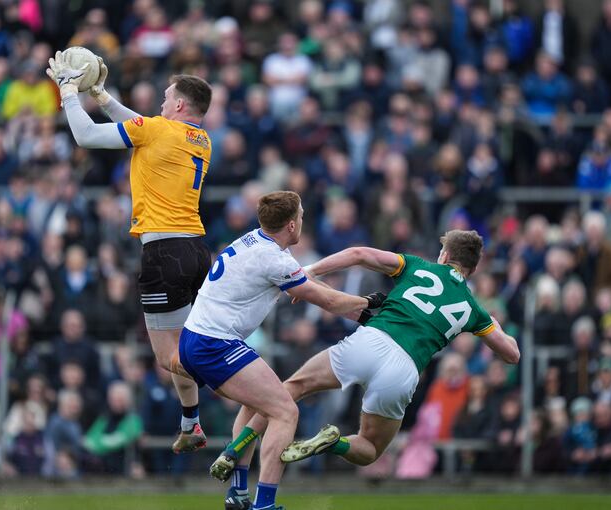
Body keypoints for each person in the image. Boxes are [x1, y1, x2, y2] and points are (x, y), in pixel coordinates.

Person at [211, 230, 519, 505]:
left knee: (290, 389)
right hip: (404, 369)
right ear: (473, 268)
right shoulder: (473, 309)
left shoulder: (420, 267)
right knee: (370, 449)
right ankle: (333, 442)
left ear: (446, 255)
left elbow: (359, 254)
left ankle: (235, 448)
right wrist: (492, 323)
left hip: (371, 340)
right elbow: (511, 355)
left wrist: (311, 270)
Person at [47, 51, 213, 454]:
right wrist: (102, 98)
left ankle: (244, 387)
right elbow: (141, 127)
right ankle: (191, 423)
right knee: (183, 350)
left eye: (165, 97)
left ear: (178, 105)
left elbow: (85, 137)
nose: (159, 103)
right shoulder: (200, 138)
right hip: (195, 250)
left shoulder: (157, 130)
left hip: (164, 254)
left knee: (170, 356)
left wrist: (69, 91)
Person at [180, 191, 381, 510]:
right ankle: (265, 503)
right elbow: (328, 301)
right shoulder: (275, 260)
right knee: (286, 411)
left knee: (254, 406)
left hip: (197, 337)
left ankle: (238, 492)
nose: (303, 219)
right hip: (214, 344)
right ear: (291, 225)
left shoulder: (254, 241)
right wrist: (371, 305)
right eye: (301, 215)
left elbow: (310, 286)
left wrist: (312, 286)